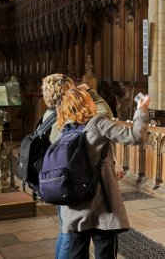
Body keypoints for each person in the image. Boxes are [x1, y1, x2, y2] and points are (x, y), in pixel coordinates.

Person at [56, 88, 150, 258]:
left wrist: (109, 170)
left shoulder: (65, 129)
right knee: (105, 254)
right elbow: (136, 136)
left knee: (76, 254)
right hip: (101, 207)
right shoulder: (98, 123)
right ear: (84, 104)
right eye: (89, 99)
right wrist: (142, 110)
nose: (93, 101)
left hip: (74, 207)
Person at [40, 73, 113, 259]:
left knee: (66, 233)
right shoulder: (67, 119)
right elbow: (105, 115)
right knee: (70, 237)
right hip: (73, 183)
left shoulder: (51, 114)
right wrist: (91, 93)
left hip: (59, 180)